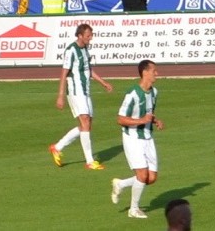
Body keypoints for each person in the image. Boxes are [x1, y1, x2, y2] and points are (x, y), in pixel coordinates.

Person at [50, 23, 113, 170]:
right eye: (88, 36)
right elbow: (64, 73)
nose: (90, 39)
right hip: (75, 90)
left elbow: (88, 69)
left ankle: (57, 147)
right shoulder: (71, 50)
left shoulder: (85, 49)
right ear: (80, 35)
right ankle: (90, 161)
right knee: (85, 121)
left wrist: (103, 82)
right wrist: (60, 96)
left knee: (87, 125)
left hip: (85, 91)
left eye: (91, 36)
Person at [111, 59, 164, 219]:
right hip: (132, 138)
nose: (157, 73)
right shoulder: (132, 94)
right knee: (142, 175)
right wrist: (141, 121)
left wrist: (155, 120)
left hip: (148, 137)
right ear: (145, 72)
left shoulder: (154, 92)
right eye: (154, 70)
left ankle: (120, 184)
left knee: (151, 178)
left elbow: (148, 113)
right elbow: (120, 119)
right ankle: (133, 209)